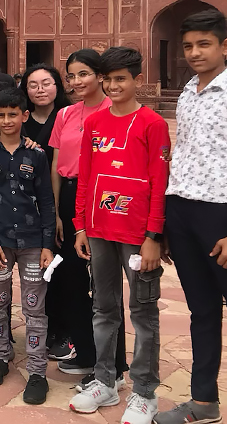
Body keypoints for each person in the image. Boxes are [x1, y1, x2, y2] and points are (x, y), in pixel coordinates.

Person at [154, 10, 227, 424]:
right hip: (183, 211)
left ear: (224, 46)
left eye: (203, 44)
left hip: (225, 216)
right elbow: (183, 154)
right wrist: (168, 223)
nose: (194, 53)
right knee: (202, 311)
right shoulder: (188, 93)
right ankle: (204, 402)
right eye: (188, 46)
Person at [68, 47, 170, 424]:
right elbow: (86, 175)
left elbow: (159, 184)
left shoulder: (151, 124)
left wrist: (153, 236)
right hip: (98, 231)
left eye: (120, 79)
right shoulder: (94, 123)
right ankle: (106, 380)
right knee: (103, 308)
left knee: (142, 312)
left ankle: (144, 392)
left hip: (137, 234)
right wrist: (80, 225)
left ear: (136, 79)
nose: (113, 86)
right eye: (107, 79)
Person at [50, 49, 128, 385]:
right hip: (69, 198)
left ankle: (115, 364)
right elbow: (56, 163)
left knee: (104, 285)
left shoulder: (115, 111)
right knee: (72, 281)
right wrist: (55, 212)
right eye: (72, 75)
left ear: (100, 76)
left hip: (102, 198)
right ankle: (86, 352)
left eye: (84, 74)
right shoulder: (66, 114)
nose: (78, 81)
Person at [0, 87, 54, 404]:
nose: (7, 120)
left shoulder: (36, 154)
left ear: (24, 116)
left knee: (35, 306)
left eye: (12, 114)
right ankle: (0, 357)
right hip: (0, 245)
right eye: (0, 114)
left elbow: (46, 201)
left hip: (33, 243)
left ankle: (37, 371)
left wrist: (48, 243)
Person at [19, 63, 71, 357]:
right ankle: (44, 329)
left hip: (58, 201)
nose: (40, 90)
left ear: (57, 86)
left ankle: (64, 331)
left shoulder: (67, 116)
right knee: (36, 272)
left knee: (61, 271)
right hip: (26, 206)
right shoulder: (20, 121)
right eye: (33, 85)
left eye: (46, 83)